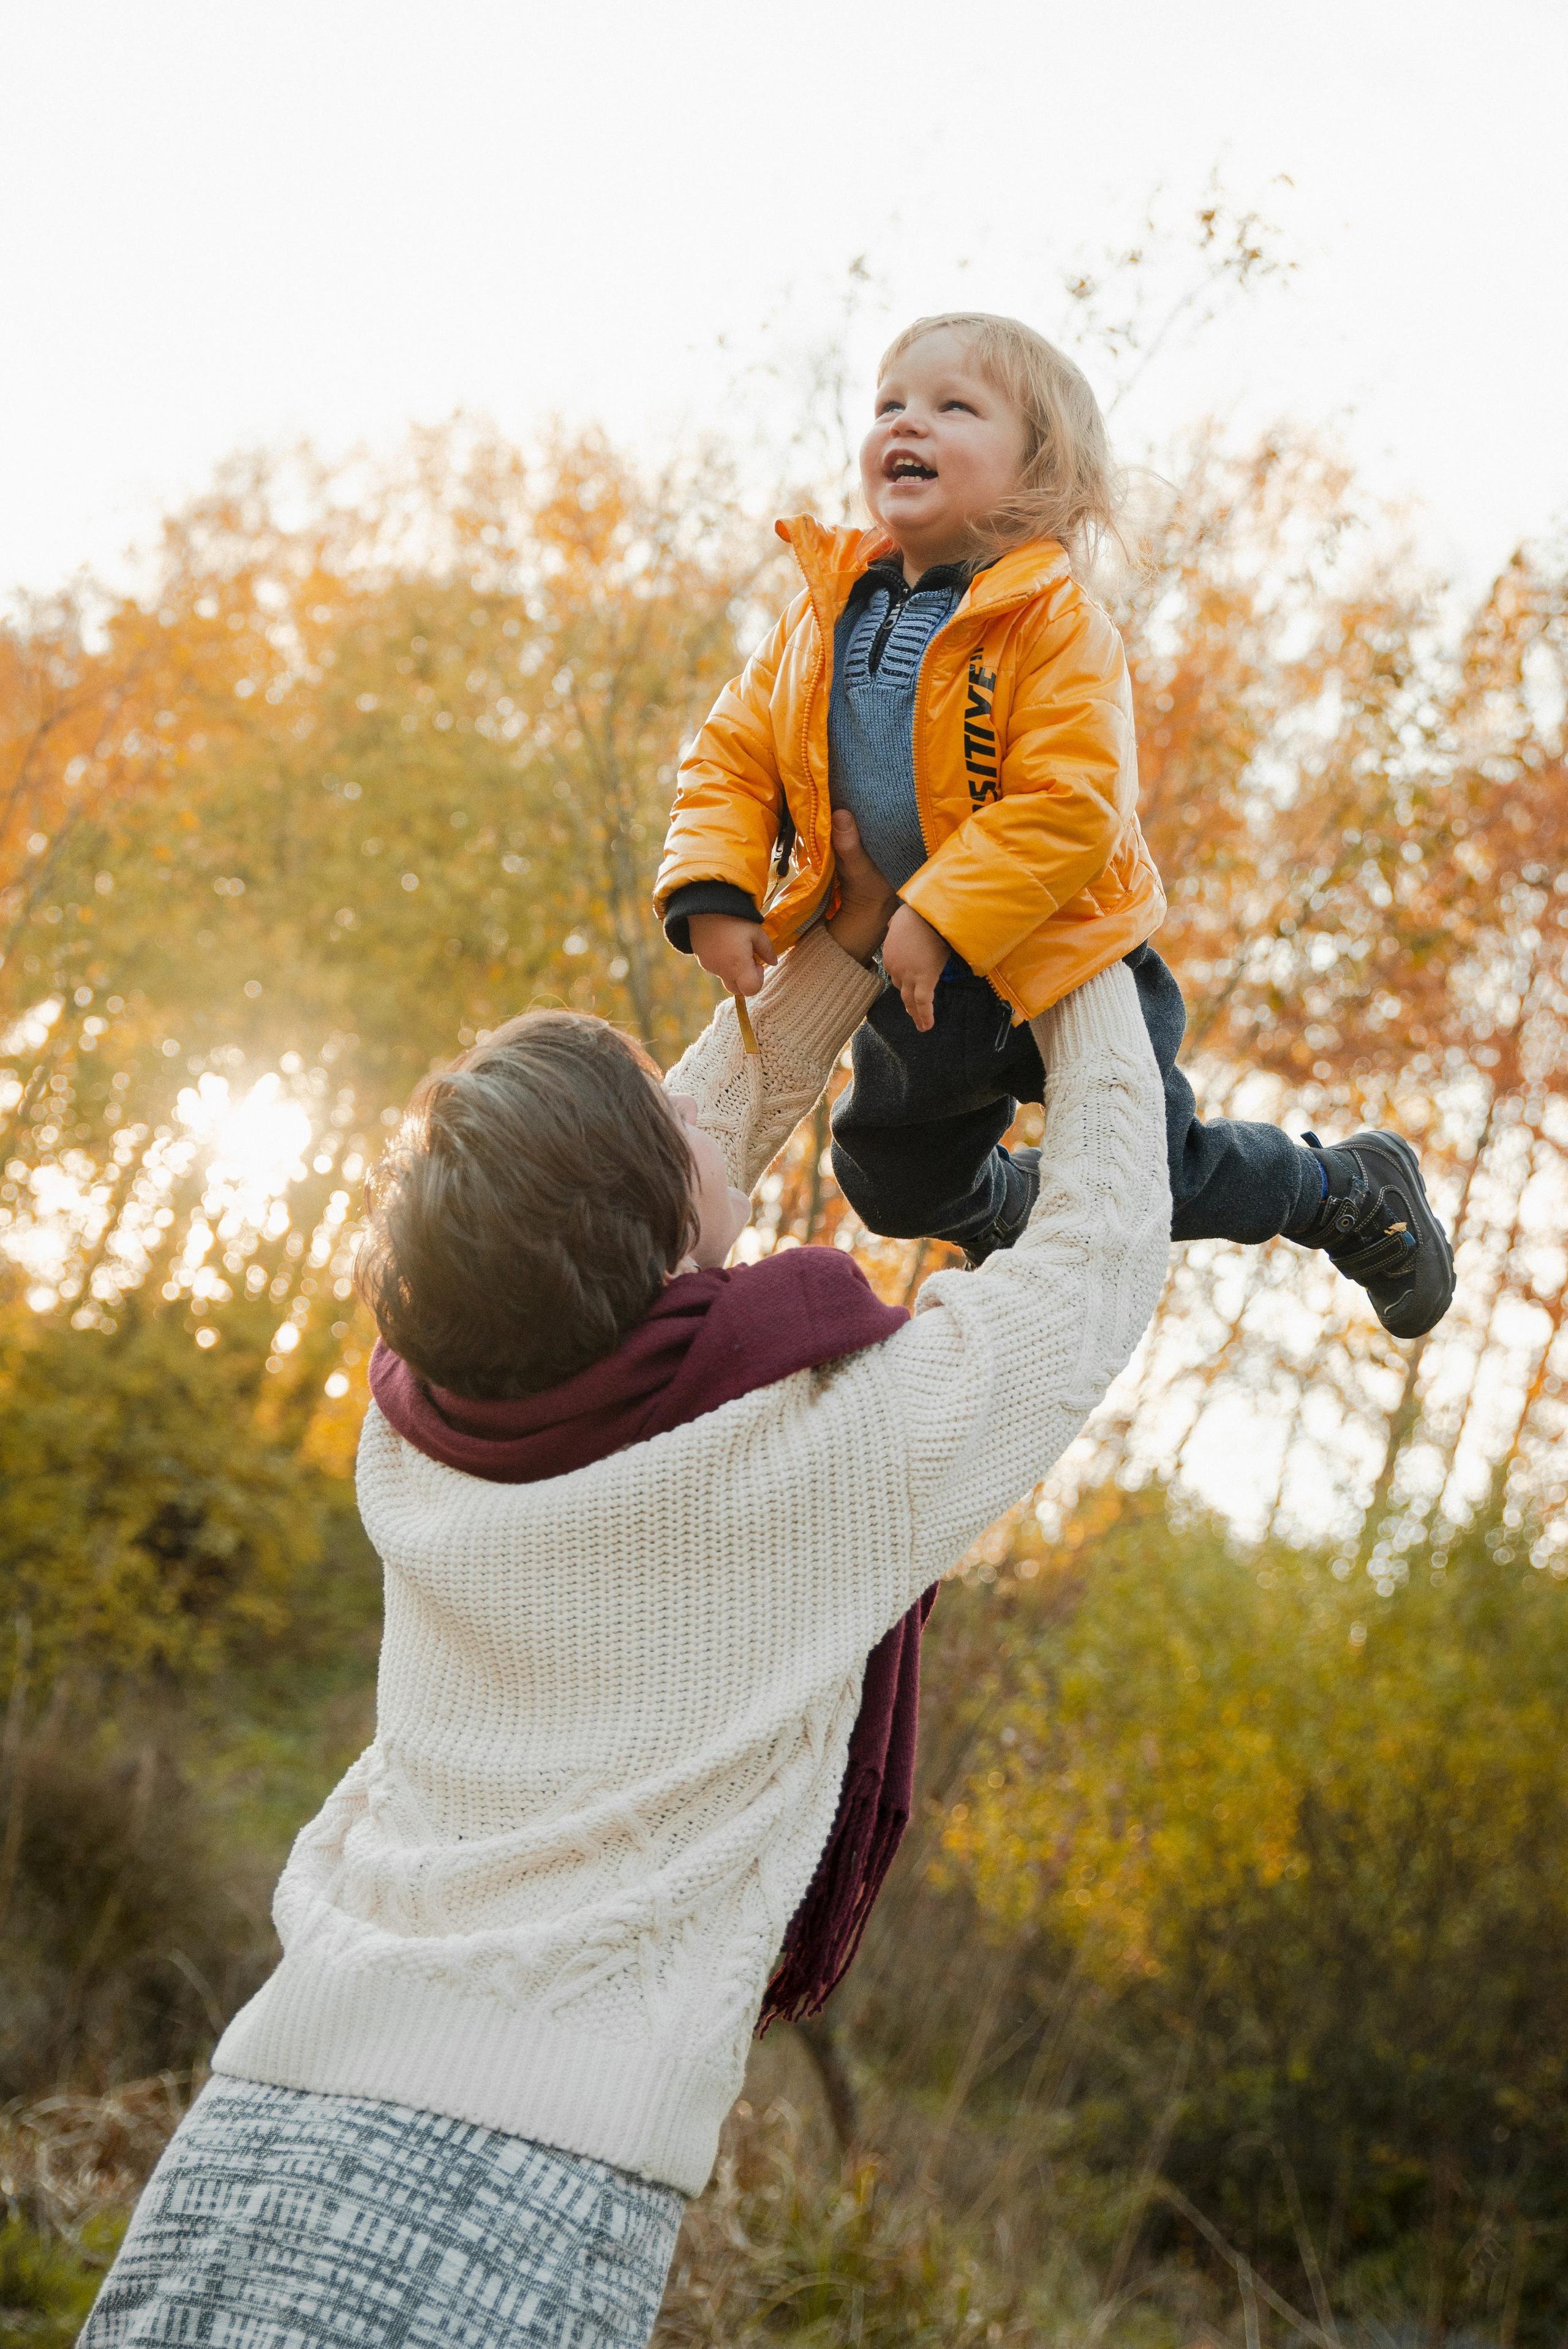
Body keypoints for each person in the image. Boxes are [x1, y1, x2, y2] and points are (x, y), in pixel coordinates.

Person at [80, 819, 1170, 2348]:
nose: (693, 1113)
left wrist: (845, 935)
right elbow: (1099, 1250)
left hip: (257, 2124)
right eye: (663, 1130)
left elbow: (654, 1152)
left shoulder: (422, 1428)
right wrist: (1078, 918)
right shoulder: (818, 1461)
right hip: (520, 2187)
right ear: (654, 1223)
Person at [656, 310, 1453, 1338]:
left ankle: (1340, 1190)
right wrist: (715, 887)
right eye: (890, 403)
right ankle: (1014, 1209)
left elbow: (1074, 801)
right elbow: (735, 752)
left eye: (954, 407)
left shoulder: (1054, 624)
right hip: (925, 980)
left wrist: (941, 909)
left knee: (1149, 1170)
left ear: (1038, 476)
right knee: (890, 1177)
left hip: (1064, 953)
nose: (907, 423)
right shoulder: (822, 619)